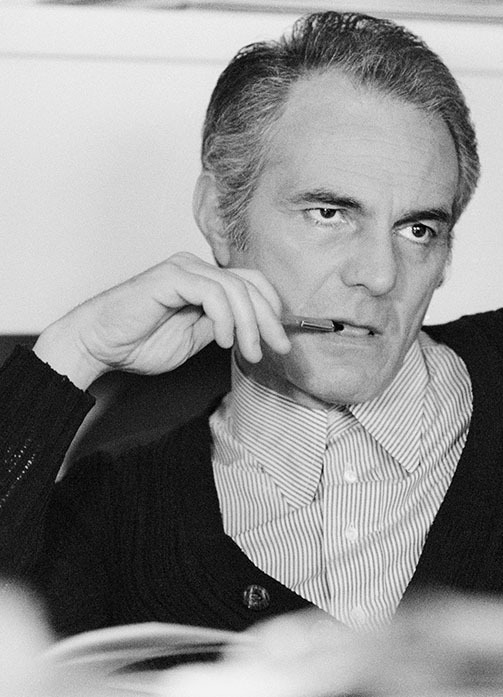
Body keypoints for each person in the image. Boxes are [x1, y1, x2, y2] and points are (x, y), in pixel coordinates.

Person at [1, 10, 501, 643]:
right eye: (329, 213)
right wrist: (73, 350)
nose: (380, 275)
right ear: (220, 216)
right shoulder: (114, 515)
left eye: (418, 229)